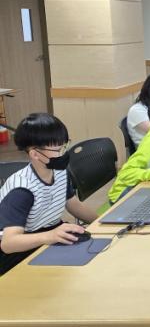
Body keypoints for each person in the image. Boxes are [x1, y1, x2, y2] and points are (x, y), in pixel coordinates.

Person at [0, 113, 97, 275]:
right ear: (35, 154)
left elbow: (73, 204)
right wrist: (49, 236)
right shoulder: (22, 190)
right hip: (18, 250)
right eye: (57, 150)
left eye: (64, 146)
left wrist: (101, 222)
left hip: (48, 232)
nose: (63, 154)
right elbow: (9, 243)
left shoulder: (59, 171)